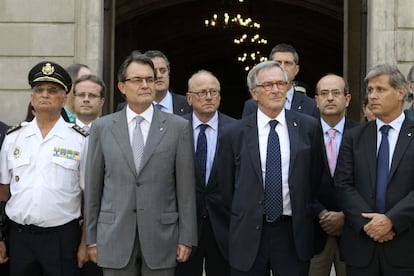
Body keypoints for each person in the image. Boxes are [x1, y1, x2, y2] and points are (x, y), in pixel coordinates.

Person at [85, 53, 197, 276]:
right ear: (122, 87)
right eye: (137, 80)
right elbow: (93, 187)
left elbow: (185, 189)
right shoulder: (102, 128)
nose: (145, 85)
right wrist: (91, 238)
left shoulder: (178, 127)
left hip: (162, 236)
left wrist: (186, 237)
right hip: (114, 235)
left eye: (150, 79)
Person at [218, 61, 323, 275]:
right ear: (254, 93)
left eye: (280, 83)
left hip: (292, 233)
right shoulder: (233, 133)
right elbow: (226, 187)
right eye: (268, 85)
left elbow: (315, 177)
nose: (276, 90)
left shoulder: (309, 127)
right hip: (248, 233)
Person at [0, 61, 88, 275]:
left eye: (52, 90)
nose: (45, 94)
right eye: (39, 90)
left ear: (64, 98)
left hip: (62, 239)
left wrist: (85, 242)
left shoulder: (80, 140)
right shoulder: (13, 138)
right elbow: (3, 192)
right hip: (20, 239)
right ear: (32, 98)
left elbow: (89, 197)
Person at [334, 64, 414, 275]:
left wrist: (391, 221)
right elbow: (342, 185)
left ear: (400, 92)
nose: (372, 96)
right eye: (370, 90)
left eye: (380, 89)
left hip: (405, 247)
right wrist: (369, 225)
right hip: (362, 248)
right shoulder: (354, 137)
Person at [176, 70, 236, 276]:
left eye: (214, 92)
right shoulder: (174, 129)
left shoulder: (237, 130)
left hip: (225, 226)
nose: (209, 97)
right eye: (202, 92)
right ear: (189, 98)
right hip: (185, 227)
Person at [309, 74, 359, 276]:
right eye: (324, 93)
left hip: (353, 233)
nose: (330, 98)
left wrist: (345, 215)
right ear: (316, 100)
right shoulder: (302, 135)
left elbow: (366, 183)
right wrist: (321, 214)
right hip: (313, 231)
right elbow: (297, 182)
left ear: (347, 99)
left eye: (336, 93)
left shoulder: (362, 135)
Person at [73, 74, 105, 276]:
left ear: (102, 101)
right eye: (81, 94)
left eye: (92, 95)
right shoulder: (60, 132)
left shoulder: (113, 132)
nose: (86, 99)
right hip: (65, 227)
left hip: (103, 227)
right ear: (73, 98)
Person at [241, 43, 319, 118]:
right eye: (277, 63)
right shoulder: (252, 105)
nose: (282, 67)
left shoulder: (311, 105)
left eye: (287, 63)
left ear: (296, 70)